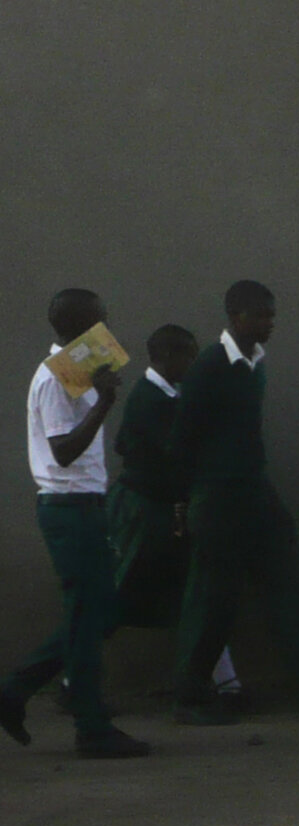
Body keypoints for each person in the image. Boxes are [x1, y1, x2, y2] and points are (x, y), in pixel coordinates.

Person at [170, 280, 299, 722]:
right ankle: (190, 695)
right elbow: (184, 440)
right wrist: (189, 501)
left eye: (271, 315)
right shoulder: (209, 368)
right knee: (215, 599)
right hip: (218, 495)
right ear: (235, 317)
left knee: (287, 585)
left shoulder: (255, 364)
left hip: (253, 490)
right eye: (261, 316)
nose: (269, 324)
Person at [2, 288, 147, 756]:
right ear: (83, 325)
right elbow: (63, 453)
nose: (107, 328)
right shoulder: (55, 378)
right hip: (69, 508)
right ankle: (90, 726)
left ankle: (17, 692)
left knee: (96, 613)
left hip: (85, 506)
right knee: (89, 615)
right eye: (100, 319)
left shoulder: (76, 371)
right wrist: (105, 402)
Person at [108, 323, 198, 634]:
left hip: (147, 509)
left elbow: (121, 443)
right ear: (168, 356)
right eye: (190, 358)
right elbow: (180, 454)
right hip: (142, 513)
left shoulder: (155, 395)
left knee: (183, 594)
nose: (193, 366)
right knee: (120, 597)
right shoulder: (154, 400)